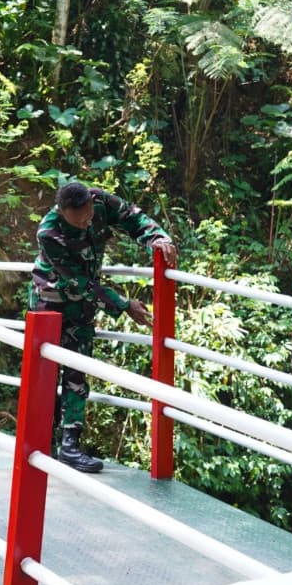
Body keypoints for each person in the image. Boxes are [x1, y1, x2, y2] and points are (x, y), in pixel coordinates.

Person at [29, 181, 178, 472]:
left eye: (88, 217)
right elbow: (79, 282)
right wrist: (123, 304)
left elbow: (133, 218)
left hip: (82, 307)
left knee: (77, 370)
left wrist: (157, 238)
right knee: (45, 371)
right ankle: (41, 440)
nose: (85, 224)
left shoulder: (101, 201)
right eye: (78, 221)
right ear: (62, 212)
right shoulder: (49, 232)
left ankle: (70, 445)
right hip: (50, 302)